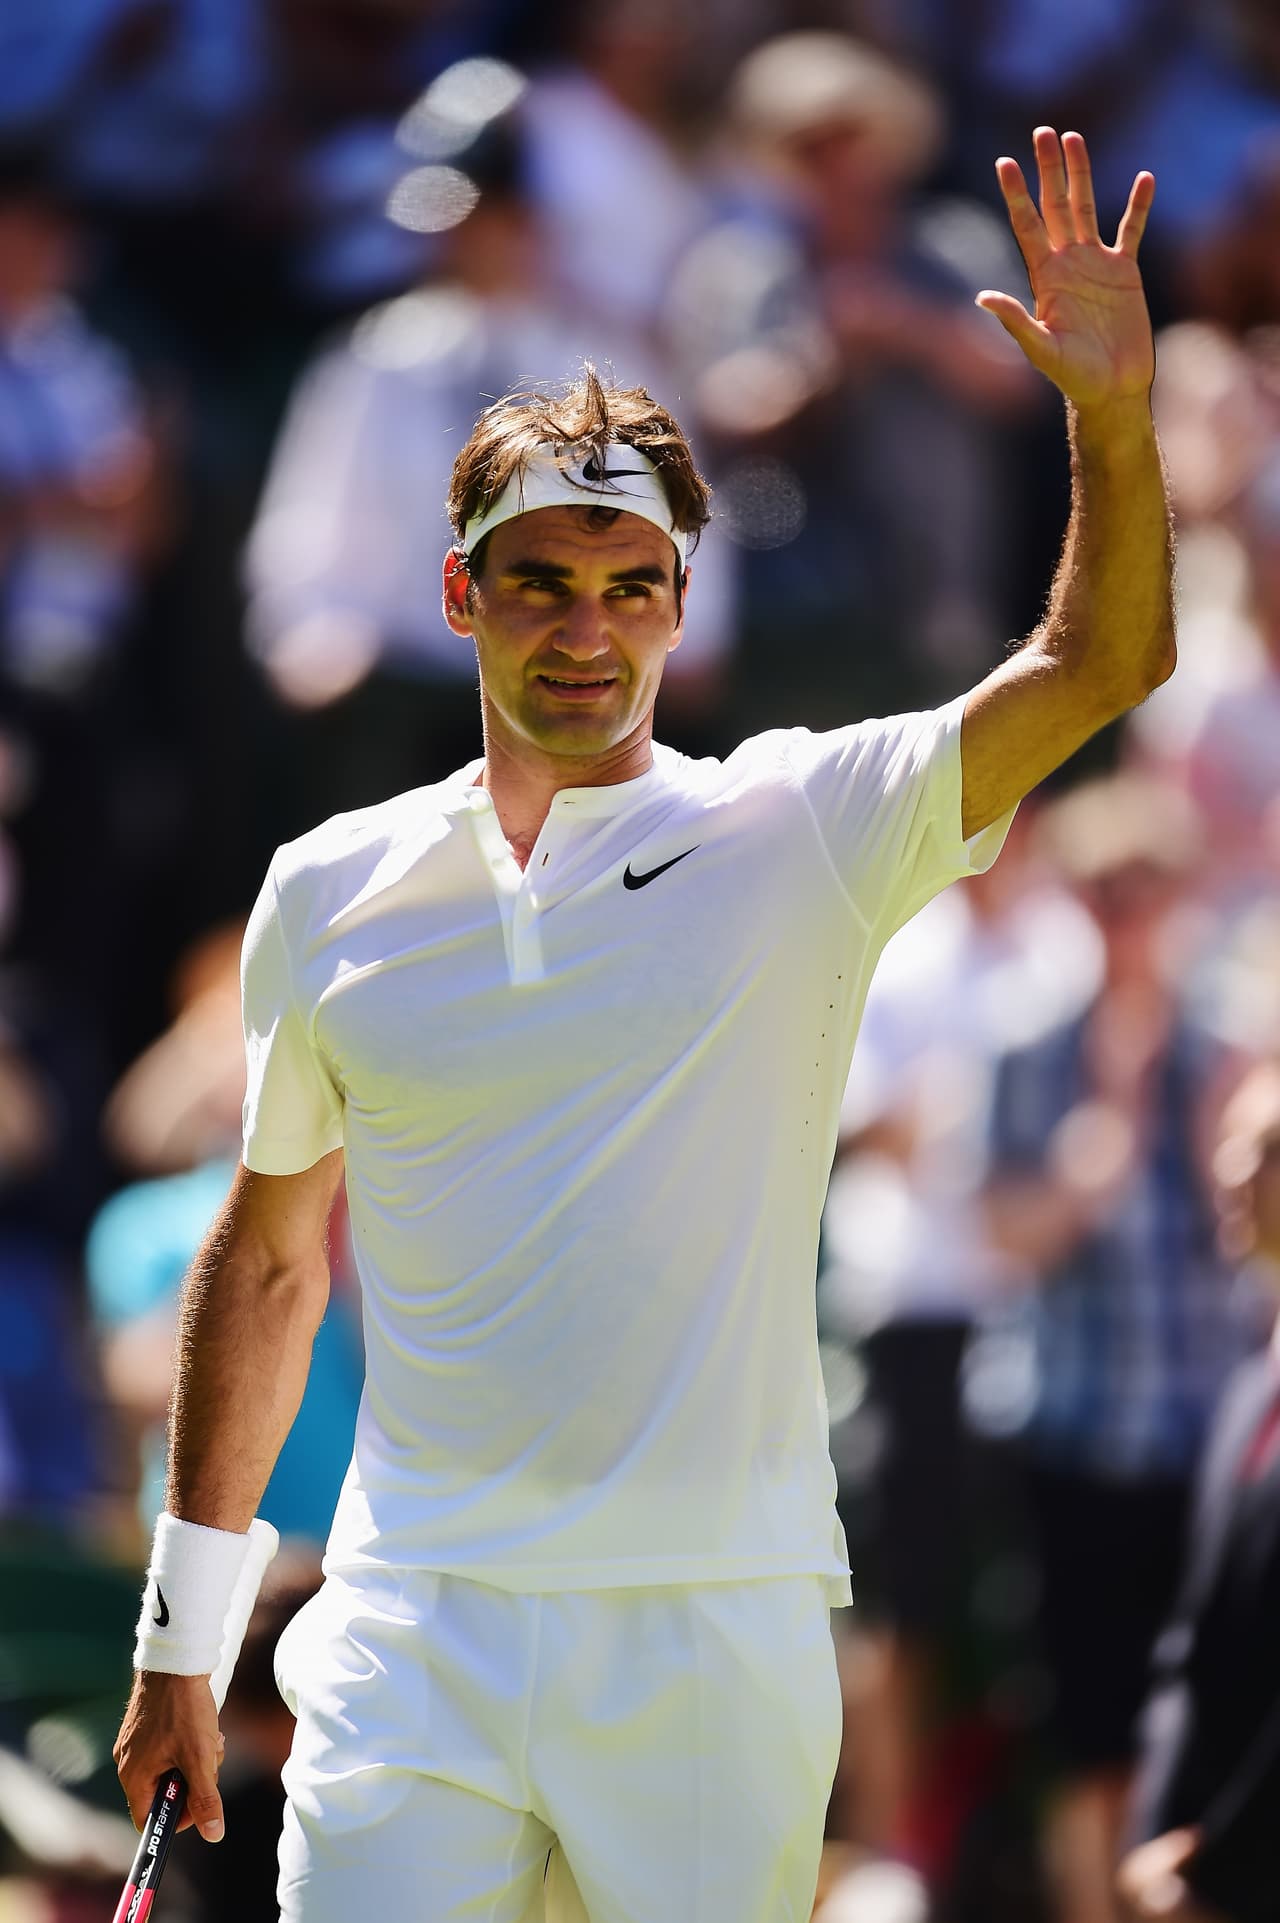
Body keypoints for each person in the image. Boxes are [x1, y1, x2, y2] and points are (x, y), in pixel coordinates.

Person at [114, 129, 1172, 1923]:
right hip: (409, 1620)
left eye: (630, 583)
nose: (587, 629)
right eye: (540, 580)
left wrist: (1111, 417)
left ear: (684, 600)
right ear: (462, 594)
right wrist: (179, 1640)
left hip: (711, 1631)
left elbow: (1105, 659)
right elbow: (275, 1259)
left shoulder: (806, 825)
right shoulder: (330, 885)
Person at [1117, 1061, 1280, 1923]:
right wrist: (1157, 1844)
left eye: (1270, 1150)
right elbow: (1192, 1649)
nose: (1231, 1170)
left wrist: (1220, 1876)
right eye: (1232, 1144)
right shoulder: (1248, 1396)